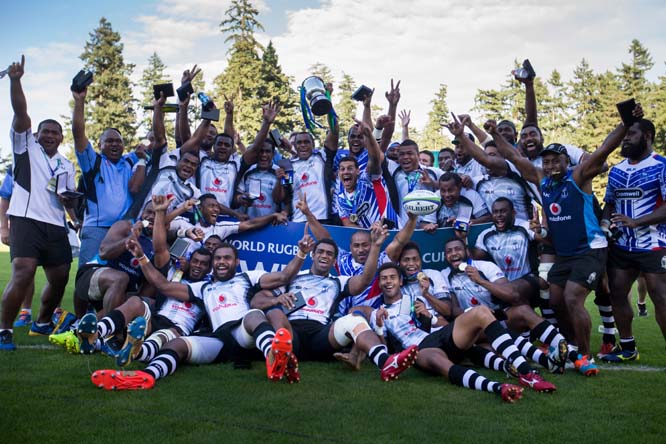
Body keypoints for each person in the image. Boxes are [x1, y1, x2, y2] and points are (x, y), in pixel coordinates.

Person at [486, 115, 632, 376]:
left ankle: (585, 357)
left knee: (572, 298)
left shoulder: (578, 177)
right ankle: (570, 346)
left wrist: (625, 124)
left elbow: (604, 150)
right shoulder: (542, 180)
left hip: (590, 250)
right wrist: (496, 135)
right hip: (565, 255)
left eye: (557, 160)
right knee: (554, 301)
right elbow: (514, 158)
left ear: (567, 162)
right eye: (548, 161)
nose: (552, 164)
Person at [90, 228, 315, 390]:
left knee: (253, 315)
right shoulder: (202, 288)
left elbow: (285, 276)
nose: (221, 262)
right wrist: (140, 256)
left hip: (244, 335)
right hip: (219, 341)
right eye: (218, 258)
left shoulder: (248, 277)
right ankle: (143, 376)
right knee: (177, 344)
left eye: (227, 258)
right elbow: (163, 285)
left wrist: (301, 253)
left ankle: (274, 357)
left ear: (236, 262)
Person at [251, 226, 419, 381]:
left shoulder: (338, 282)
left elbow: (365, 280)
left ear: (334, 261)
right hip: (291, 334)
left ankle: (385, 362)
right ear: (313, 255)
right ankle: (279, 359)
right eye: (321, 252)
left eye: (329, 254)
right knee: (269, 313)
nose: (324, 256)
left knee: (354, 319)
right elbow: (256, 300)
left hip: (320, 337)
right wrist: (276, 300)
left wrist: (375, 246)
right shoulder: (293, 277)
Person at [368, 263, 555, 401]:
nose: (388, 282)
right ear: (380, 283)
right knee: (437, 359)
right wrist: (378, 325)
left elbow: (439, 321)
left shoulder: (414, 298)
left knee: (481, 312)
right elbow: (385, 351)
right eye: (384, 278)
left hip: (436, 336)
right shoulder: (378, 312)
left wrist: (428, 317)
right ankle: (498, 388)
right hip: (417, 351)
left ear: (400, 281)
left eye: (392, 277)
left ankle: (527, 372)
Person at [0, 56, 76, 350]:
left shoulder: (67, 164)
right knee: (23, 272)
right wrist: (16, 81)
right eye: (45, 131)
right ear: (35, 134)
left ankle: (42, 322)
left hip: (55, 225)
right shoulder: (25, 147)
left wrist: (72, 210)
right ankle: (5, 329)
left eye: (55, 132)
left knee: (60, 277)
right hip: (26, 220)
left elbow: (67, 199)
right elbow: (22, 114)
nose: (49, 135)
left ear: (60, 137)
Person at [442, 237, 568, 373]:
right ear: (445, 256)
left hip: (499, 318)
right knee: (491, 351)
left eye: (458, 249)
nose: (453, 253)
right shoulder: (444, 275)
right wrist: (476, 314)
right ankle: (535, 362)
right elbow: (453, 310)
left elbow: (512, 295)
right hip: (475, 329)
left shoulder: (485, 267)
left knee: (524, 310)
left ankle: (564, 350)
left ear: (467, 251)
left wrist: (481, 281)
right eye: (449, 251)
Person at [601, 117, 666, 362]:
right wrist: (605, 224)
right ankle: (628, 348)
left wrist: (637, 222)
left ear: (647, 136)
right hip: (621, 246)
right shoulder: (616, 170)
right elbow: (609, 203)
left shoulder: (661, 165)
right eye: (624, 135)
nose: (625, 139)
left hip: (654, 243)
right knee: (616, 293)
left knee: (660, 296)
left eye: (631, 134)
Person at [71, 82, 149, 266]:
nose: (115, 145)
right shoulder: (93, 161)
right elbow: (78, 133)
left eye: (119, 142)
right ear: (99, 145)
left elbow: (151, 145)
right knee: (88, 274)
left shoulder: (129, 161)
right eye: (109, 141)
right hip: (97, 229)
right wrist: (79, 101)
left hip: (124, 231)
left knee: (121, 277)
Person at [423, 172, 491, 231]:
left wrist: (465, 223)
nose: (447, 195)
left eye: (450, 190)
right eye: (443, 191)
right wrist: (429, 227)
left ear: (460, 187)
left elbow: (487, 218)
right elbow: (424, 223)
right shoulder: (435, 198)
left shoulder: (471, 195)